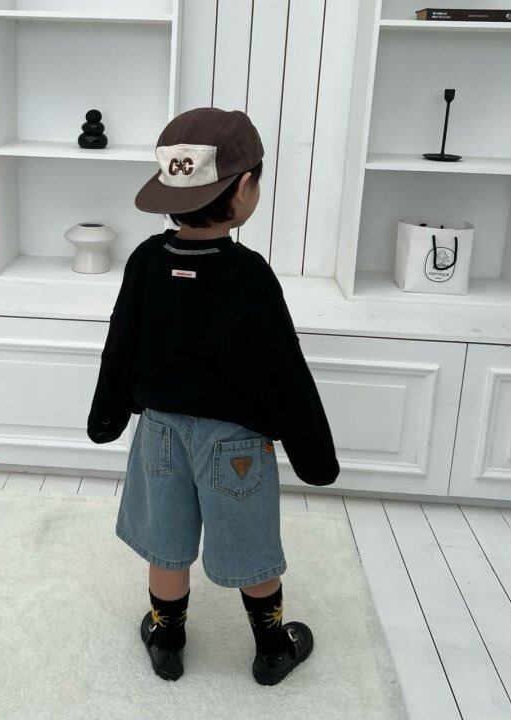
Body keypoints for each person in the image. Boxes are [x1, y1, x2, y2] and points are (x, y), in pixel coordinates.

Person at [86, 107, 339, 685]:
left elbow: (120, 344)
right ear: (245, 187)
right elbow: (284, 370)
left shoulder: (145, 262)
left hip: (159, 433)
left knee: (166, 544)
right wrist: (314, 455)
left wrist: (106, 417)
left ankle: (167, 640)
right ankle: (272, 649)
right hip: (236, 444)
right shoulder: (249, 274)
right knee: (251, 546)